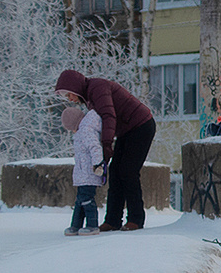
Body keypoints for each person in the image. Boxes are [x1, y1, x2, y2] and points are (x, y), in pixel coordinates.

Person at [53, 69, 155, 232]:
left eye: (70, 94)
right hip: (127, 130)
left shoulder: (97, 87)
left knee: (128, 172)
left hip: (141, 125)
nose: (70, 99)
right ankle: (113, 220)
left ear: (76, 87)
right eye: (67, 97)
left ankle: (136, 219)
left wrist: (106, 145)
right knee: (115, 172)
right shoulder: (90, 97)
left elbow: (108, 116)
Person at [62, 103, 103, 235]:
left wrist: (98, 164)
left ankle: (92, 225)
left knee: (86, 199)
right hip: (82, 173)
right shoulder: (82, 131)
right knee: (80, 200)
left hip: (89, 172)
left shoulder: (85, 131)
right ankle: (76, 225)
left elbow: (95, 147)